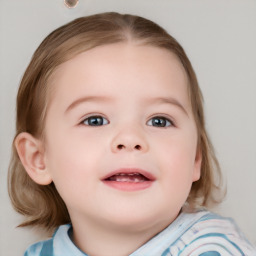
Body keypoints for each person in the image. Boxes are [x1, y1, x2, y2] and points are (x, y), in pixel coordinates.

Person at [8, 12, 256, 256]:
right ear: (38, 158)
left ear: (195, 158)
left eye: (159, 121)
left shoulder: (214, 249)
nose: (130, 139)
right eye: (95, 120)